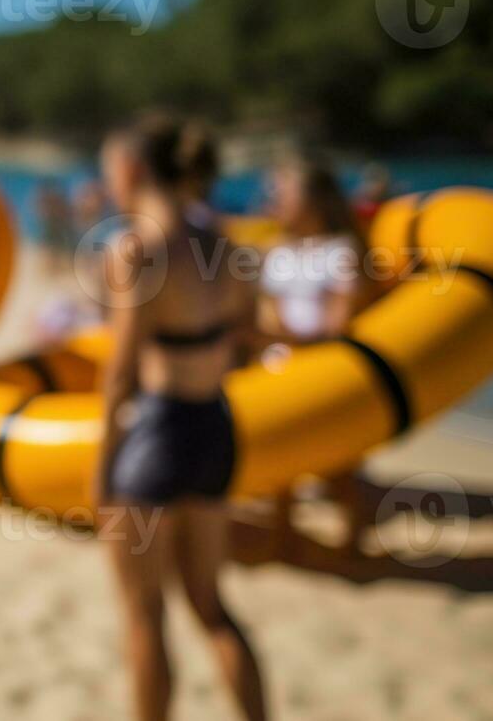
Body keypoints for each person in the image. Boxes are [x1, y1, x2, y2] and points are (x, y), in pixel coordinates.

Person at [93, 115, 266, 721]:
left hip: (156, 435)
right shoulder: (224, 242)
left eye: (109, 168)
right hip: (215, 426)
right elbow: (250, 337)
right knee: (212, 607)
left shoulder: (135, 249)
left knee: (144, 616)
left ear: (132, 170)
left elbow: (119, 372)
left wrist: (101, 467)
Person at [258, 151, 369, 555]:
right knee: (280, 461)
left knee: (337, 463)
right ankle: (282, 532)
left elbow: (339, 320)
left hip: (323, 365)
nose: (273, 200)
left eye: (283, 193)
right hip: (282, 362)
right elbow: (270, 311)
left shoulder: (340, 251)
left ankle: (351, 537)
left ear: (315, 200)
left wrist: (288, 339)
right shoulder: (278, 251)